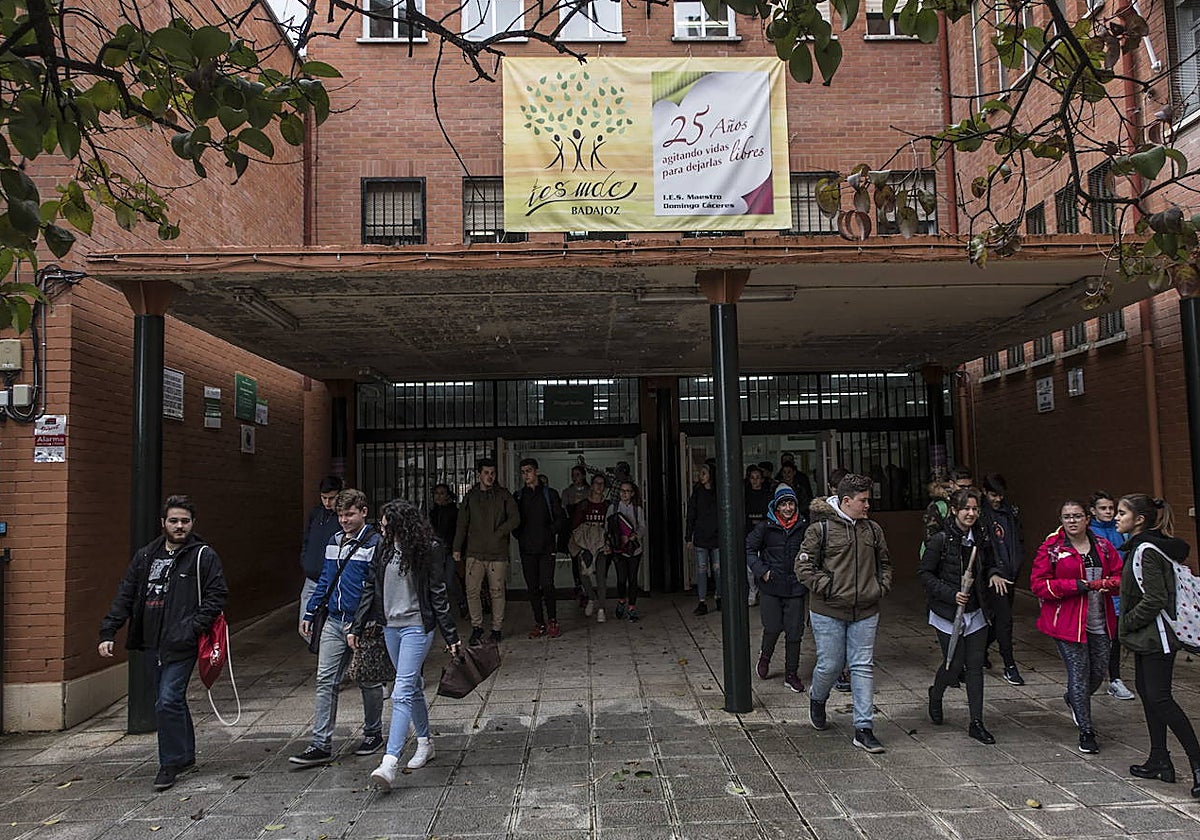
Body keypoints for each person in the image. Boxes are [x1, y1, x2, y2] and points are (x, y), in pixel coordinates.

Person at [99, 495, 228, 791]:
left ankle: (168, 764)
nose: (179, 526)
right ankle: (184, 755)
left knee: (167, 699)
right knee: (171, 700)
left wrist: (192, 628)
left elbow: (216, 596)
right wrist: (109, 631)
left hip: (181, 641)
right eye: (174, 521)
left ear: (192, 523)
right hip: (150, 641)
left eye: (185, 521)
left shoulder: (203, 555)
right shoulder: (146, 556)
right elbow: (126, 594)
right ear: (163, 523)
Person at [349, 499, 462, 791]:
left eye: (385, 523)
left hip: (416, 628)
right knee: (411, 687)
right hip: (390, 629)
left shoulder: (428, 549)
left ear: (399, 524)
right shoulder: (383, 549)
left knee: (401, 691)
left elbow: (438, 593)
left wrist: (450, 635)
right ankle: (425, 742)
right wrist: (358, 625)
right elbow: (371, 588)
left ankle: (389, 762)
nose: (380, 527)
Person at [795, 473, 893, 753]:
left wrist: (880, 587)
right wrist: (826, 586)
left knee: (862, 665)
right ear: (846, 501)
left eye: (868, 500)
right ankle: (818, 697)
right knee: (831, 664)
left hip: (866, 609)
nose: (867, 506)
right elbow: (803, 566)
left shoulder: (872, 530)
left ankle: (863, 728)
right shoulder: (820, 529)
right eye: (863, 501)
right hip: (828, 610)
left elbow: (885, 563)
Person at [292, 489, 385, 766]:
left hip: (363, 622)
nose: (344, 520)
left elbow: (375, 587)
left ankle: (373, 733)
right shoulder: (333, 541)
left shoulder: (375, 543)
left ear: (364, 512)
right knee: (325, 681)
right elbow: (326, 578)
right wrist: (311, 609)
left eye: (349, 514)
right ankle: (321, 743)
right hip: (334, 620)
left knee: (368, 680)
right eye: (340, 515)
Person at [1116, 494, 1200, 797]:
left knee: (1161, 699)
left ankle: (1197, 763)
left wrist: (1126, 623)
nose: (1116, 517)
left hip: (1156, 637)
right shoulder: (1142, 547)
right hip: (1146, 637)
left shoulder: (1146, 550)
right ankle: (1159, 759)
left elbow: (1154, 598)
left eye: (1122, 512)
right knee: (1150, 697)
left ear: (1139, 520)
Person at [1030, 498, 1122, 754]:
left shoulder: (1103, 546)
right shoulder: (1052, 549)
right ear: (1061, 520)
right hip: (1067, 622)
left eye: (1077, 516)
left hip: (1100, 619)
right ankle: (1086, 730)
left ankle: (1074, 698)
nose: (1072, 521)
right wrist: (1074, 586)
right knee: (1079, 673)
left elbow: (1119, 573)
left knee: (1098, 672)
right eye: (1067, 516)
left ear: (1087, 519)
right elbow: (1038, 584)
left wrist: (1108, 583)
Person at [920, 488, 1009, 744]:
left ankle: (976, 721)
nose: (971, 513)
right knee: (953, 664)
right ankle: (936, 694)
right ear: (955, 510)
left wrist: (993, 573)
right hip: (947, 613)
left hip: (976, 611)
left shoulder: (982, 537)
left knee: (975, 666)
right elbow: (925, 574)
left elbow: (992, 561)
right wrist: (951, 594)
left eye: (974, 509)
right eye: (966, 509)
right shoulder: (940, 539)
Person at [746, 484, 808, 692]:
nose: (788, 508)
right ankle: (765, 656)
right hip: (771, 586)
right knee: (772, 627)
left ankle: (791, 674)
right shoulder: (765, 527)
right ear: (776, 507)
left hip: (796, 588)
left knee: (794, 633)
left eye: (791, 503)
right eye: (784, 504)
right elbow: (749, 548)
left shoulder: (803, 526)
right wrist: (762, 570)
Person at [454, 458, 520, 646]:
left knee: (497, 591)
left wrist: (498, 533)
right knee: (472, 592)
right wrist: (457, 548)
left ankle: (497, 629)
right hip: (474, 552)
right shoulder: (471, 496)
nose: (490, 476)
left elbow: (515, 519)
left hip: (497, 553)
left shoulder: (504, 495)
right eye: (486, 473)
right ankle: (477, 627)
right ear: (478, 474)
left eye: (492, 473)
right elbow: (462, 523)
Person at [513, 458, 567, 638]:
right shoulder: (519, 496)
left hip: (546, 547)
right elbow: (514, 521)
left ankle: (552, 620)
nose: (525, 475)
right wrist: (520, 535)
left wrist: (549, 532)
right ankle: (539, 623)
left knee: (547, 584)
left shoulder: (549, 494)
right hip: (527, 548)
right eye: (522, 472)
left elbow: (560, 518)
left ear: (536, 471)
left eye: (528, 471)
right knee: (532, 587)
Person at [1090, 490, 1136, 701]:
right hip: (1096, 591)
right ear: (1093, 511)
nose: (1109, 512)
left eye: (1111, 508)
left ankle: (1115, 678)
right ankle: (1091, 677)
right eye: (1103, 508)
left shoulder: (1122, 531)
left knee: (1115, 637)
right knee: (1096, 637)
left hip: (1118, 591)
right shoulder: (1088, 532)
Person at [982, 473, 1026, 686]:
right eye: (992, 495)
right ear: (984, 492)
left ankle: (980, 651)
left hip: (1010, 573)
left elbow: (1017, 540)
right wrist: (992, 571)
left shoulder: (1010, 512)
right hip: (993, 576)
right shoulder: (982, 515)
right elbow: (983, 549)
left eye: (1000, 495)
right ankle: (1009, 664)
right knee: (1005, 620)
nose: (997, 499)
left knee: (999, 619)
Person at [299, 476, 344, 640]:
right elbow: (307, 539)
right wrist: (305, 561)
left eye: (331, 498)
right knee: (305, 628)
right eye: (324, 498)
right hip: (311, 578)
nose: (327, 502)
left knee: (330, 629)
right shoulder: (316, 514)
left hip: (333, 580)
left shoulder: (342, 518)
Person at [570, 473, 611, 621]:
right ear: (591, 485)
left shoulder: (607, 506)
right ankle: (591, 598)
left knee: (600, 576)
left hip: (601, 544)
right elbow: (575, 526)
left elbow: (612, 526)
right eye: (596, 483)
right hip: (585, 544)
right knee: (584, 575)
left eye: (602, 484)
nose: (599, 486)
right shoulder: (584, 505)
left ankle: (601, 608)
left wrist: (608, 542)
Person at [606, 480, 647, 621]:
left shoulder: (638, 509)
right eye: (622, 491)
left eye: (627, 491)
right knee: (621, 578)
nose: (624, 494)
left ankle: (632, 608)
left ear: (632, 493)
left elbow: (642, 526)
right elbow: (608, 527)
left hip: (634, 549)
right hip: (618, 550)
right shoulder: (613, 507)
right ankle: (622, 600)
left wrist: (635, 535)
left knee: (633, 579)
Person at [686, 463, 720, 615]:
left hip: (717, 536)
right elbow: (691, 515)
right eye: (701, 473)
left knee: (717, 570)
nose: (701, 476)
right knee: (701, 570)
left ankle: (719, 596)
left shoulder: (718, 493)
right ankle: (702, 601)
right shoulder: (697, 492)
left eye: (704, 473)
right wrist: (688, 537)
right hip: (701, 536)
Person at [428, 483, 465, 617]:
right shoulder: (433, 512)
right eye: (437, 493)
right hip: (436, 551)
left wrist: (457, 548)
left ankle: (461, 602)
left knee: (449, 580)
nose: (439, 496)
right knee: (436, 580)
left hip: (450, 550)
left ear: (448, 496)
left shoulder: (454, 512)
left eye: (442, 493)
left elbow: (458, 532)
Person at [561, 464, 591, 606]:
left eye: (578, 474)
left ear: (584, 476)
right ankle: (578, 586)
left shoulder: (590, 491)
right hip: (573, 530)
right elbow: (565, 511)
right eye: (573, 475)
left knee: (586, 560)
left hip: (588, 531)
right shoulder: (567, 492)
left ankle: (587, 589)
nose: (575, 478)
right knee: (575, 559)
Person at [743, 465, 773, 607]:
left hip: (764, 535)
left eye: (758, 478)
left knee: (763, 564)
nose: (755, 481)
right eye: (752, 478)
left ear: (762, 480)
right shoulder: (745, 495)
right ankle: (752, 591)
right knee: (750, 567)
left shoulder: (767, 495)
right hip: (749, 533)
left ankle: (762, 591)